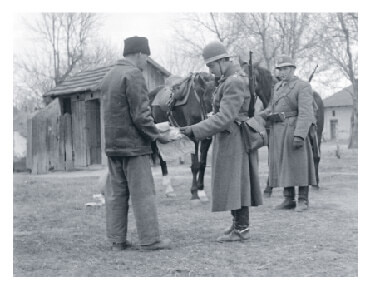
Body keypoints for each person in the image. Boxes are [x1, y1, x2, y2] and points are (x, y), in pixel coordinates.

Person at [180, 41, 263, 242]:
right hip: (228, 136)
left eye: (211, 66)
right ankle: (237, 223)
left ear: (222, 61)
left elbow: (225, 117)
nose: (210, 70)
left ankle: (242, 228)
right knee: (232, 180)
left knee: (238, 181)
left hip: (235, 137)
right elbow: (223, 113)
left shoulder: (233, 81)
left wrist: (195, 130)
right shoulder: (227, 80)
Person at [100, 36, 171, 251]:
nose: (146, 61)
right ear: (140, 53)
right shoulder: (134, 75)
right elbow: (141, 115)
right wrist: (158, 135)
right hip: (134, 147)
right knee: (143, 195)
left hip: (113, 148)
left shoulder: (109, 76)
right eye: (146, 56)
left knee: (116, 195)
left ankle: (116, 241)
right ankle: (150, 240)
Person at [258, 55, 317, 212]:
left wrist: (300, 134)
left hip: (294, 129)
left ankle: (303, 200)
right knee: (284, 165)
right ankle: (288, 199)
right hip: (278, 131)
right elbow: (271, 108)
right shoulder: (277, 88)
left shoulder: (302, 86)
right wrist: (261, 115)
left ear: (292, 69)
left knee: (300, 165)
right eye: (280, 69)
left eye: (285, 69)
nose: (282, 72)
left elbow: (306, 113)